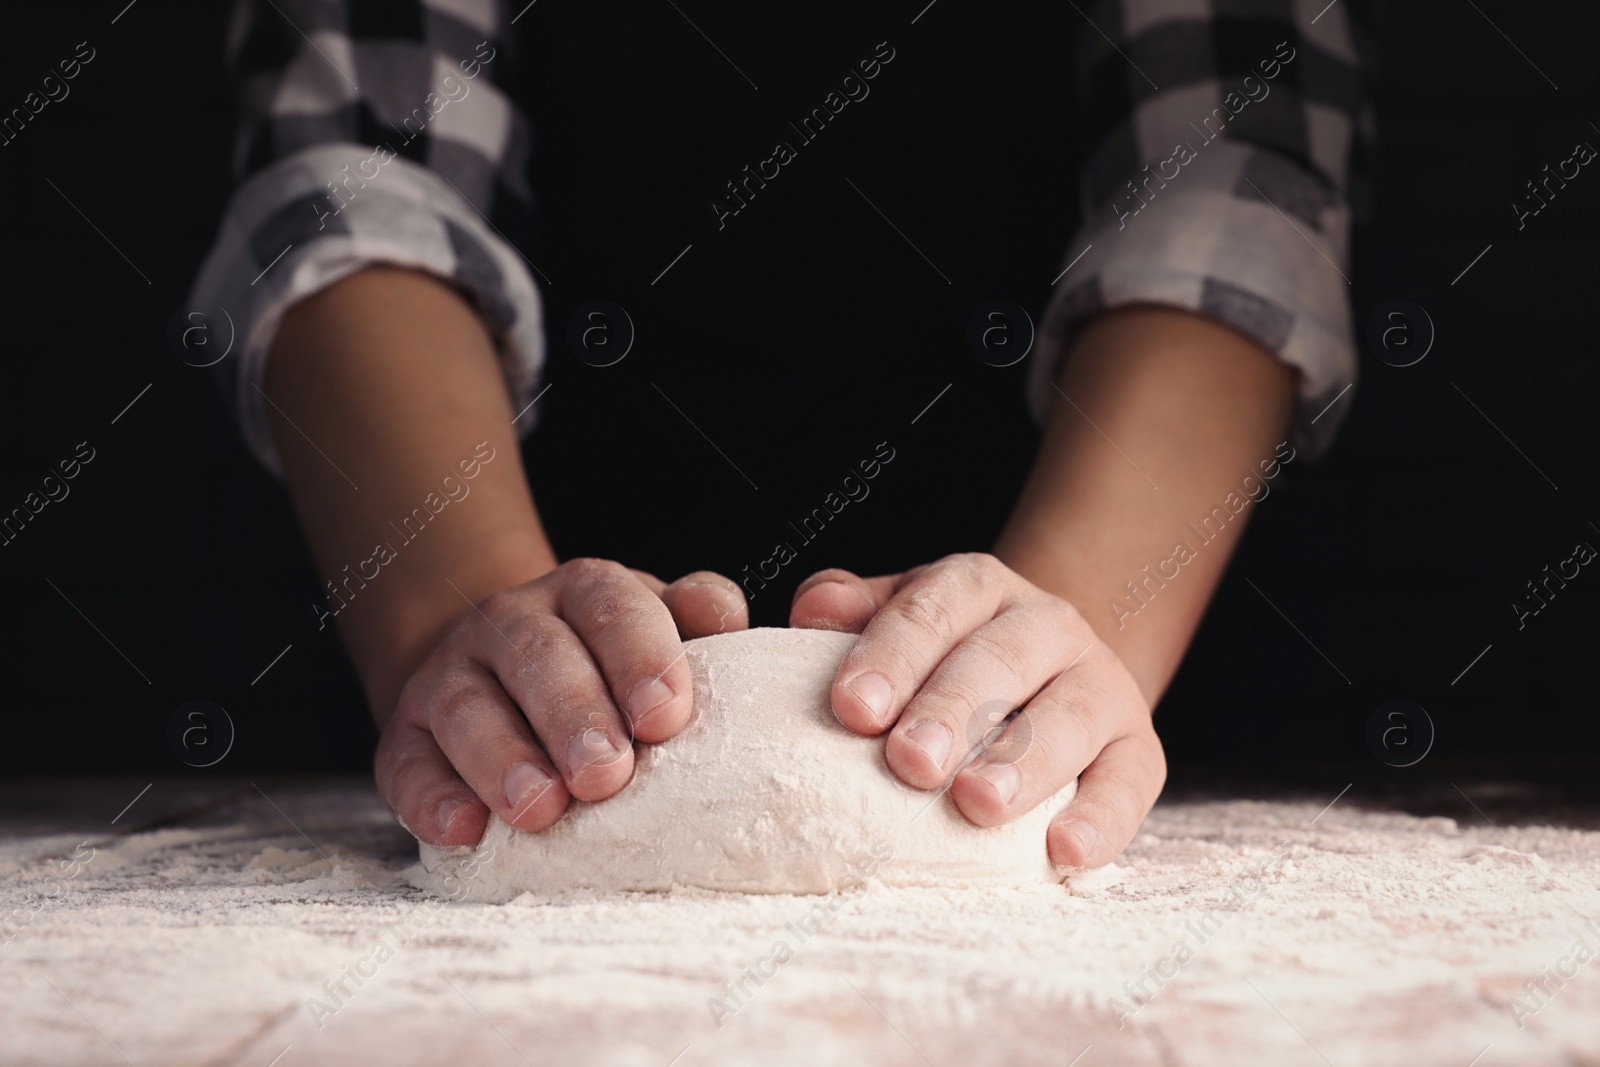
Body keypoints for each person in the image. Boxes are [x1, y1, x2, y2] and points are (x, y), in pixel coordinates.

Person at [190, 0, 1365, 868]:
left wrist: (1053, 658)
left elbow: (1234, 174)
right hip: (508, 538)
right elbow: (355, 162)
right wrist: (468, 632)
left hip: (1080, 536)